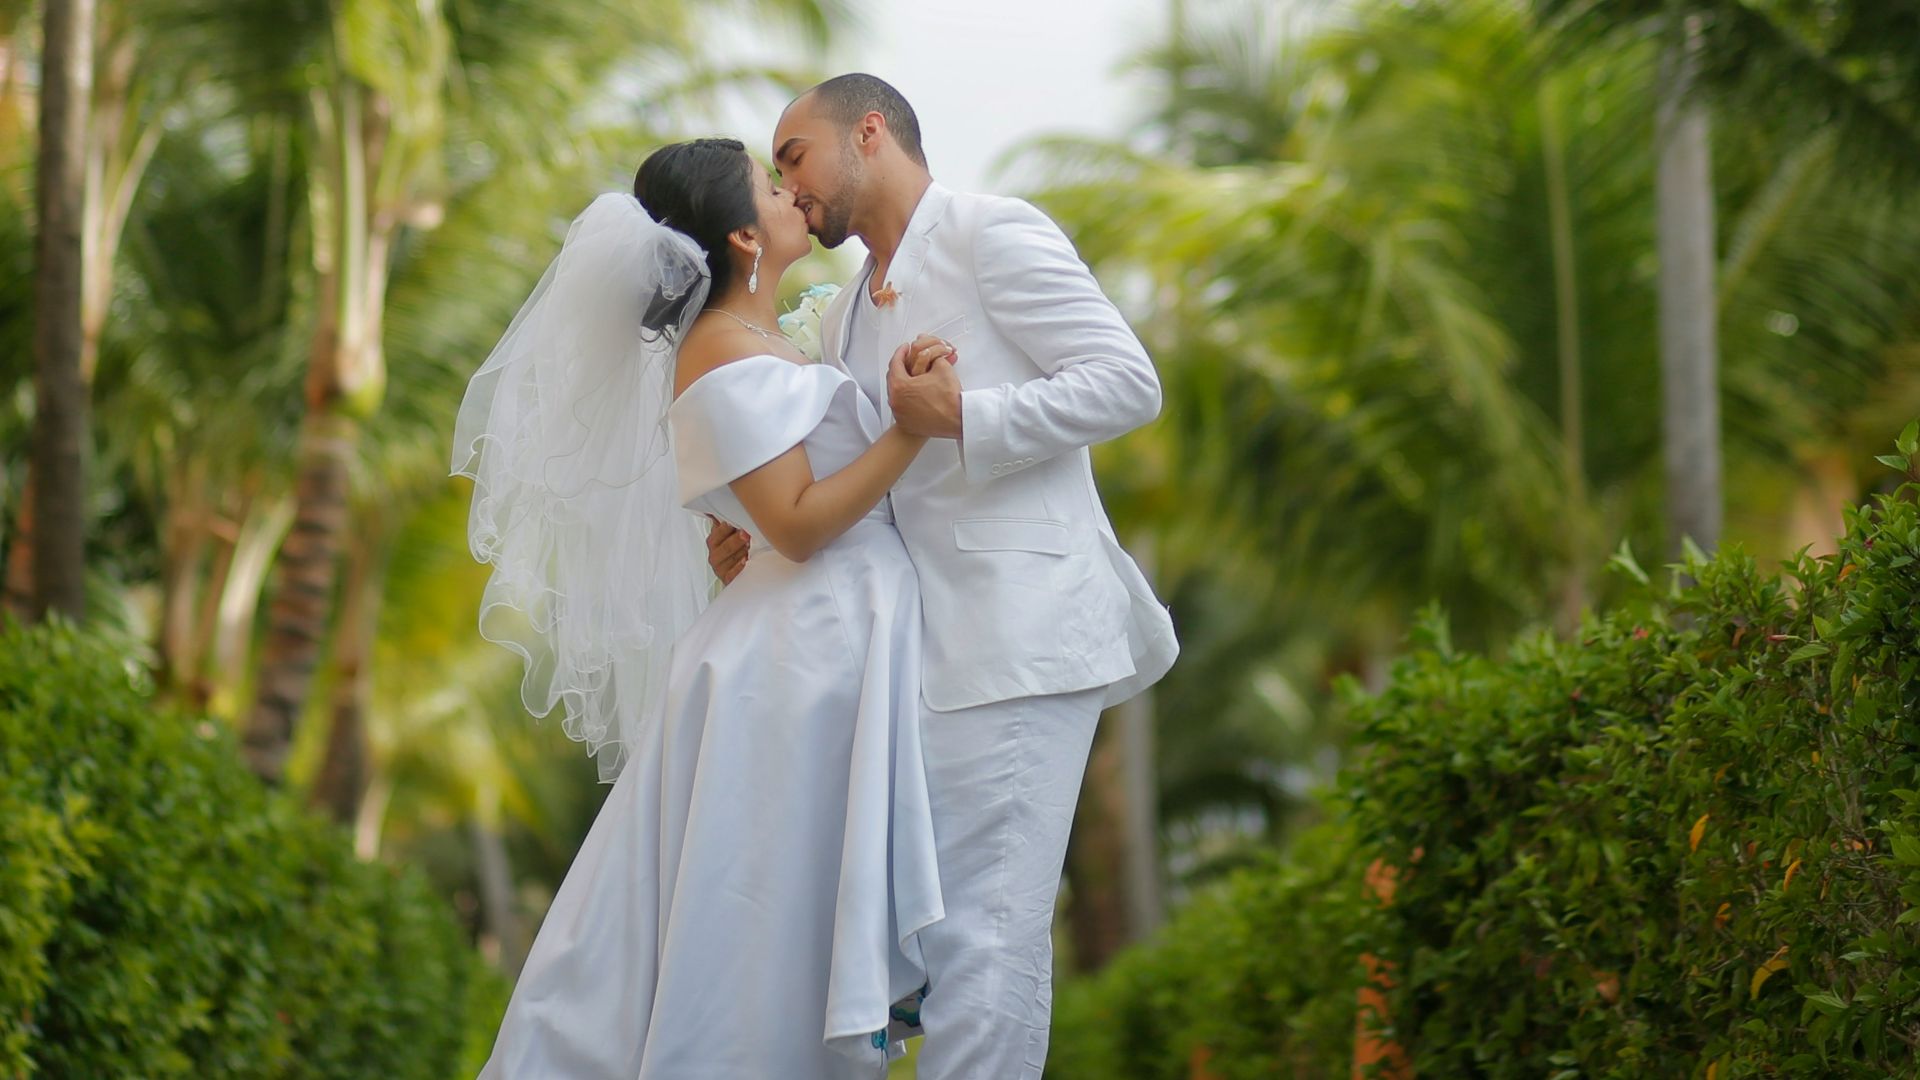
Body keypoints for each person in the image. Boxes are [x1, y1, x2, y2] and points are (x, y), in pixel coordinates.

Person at [453, 138, 959, 1078]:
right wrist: (910, 430)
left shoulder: (767, 339)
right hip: (793, 662)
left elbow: (769, 510)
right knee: (759, 922)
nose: (792, 192)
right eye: (771, 184)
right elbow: (797, 525)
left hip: (813, 641)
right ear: (743, 235)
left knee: (780, 913)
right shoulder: (721, 348)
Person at [710, 73, 1181, 1079]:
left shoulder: (990, 233)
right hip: (915, 662)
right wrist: (758, 539)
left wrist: (968, 416)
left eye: (793, 155)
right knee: (925, 950)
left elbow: (1128, 383)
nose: (788, 188)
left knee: (987, 940)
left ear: (869, 133)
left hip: (1023, 636)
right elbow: (872, 487)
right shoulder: (841, 317)